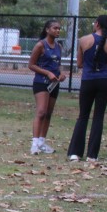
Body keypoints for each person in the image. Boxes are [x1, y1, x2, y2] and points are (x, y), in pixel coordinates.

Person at [66, 15, 107, 162]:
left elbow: (79, 64)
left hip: (88, 80)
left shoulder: (83, 40)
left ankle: (75, 153)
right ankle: (92, 155)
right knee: (98, 116)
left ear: (97, 24)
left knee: (83, 115)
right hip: (105, 80)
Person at [27, 20, 66, 155]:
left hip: (54, 84)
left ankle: (42, 142)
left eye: (59, 28)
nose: (58, 31)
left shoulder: (58, 46)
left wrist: (61, 74)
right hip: (42, 82)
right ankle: (34, 144)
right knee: (41, 112)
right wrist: (47, 73)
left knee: (48, 113)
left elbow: (58, 64)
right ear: (47, 29)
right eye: (55, 28)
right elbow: (31, 65)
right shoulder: (40, 45)